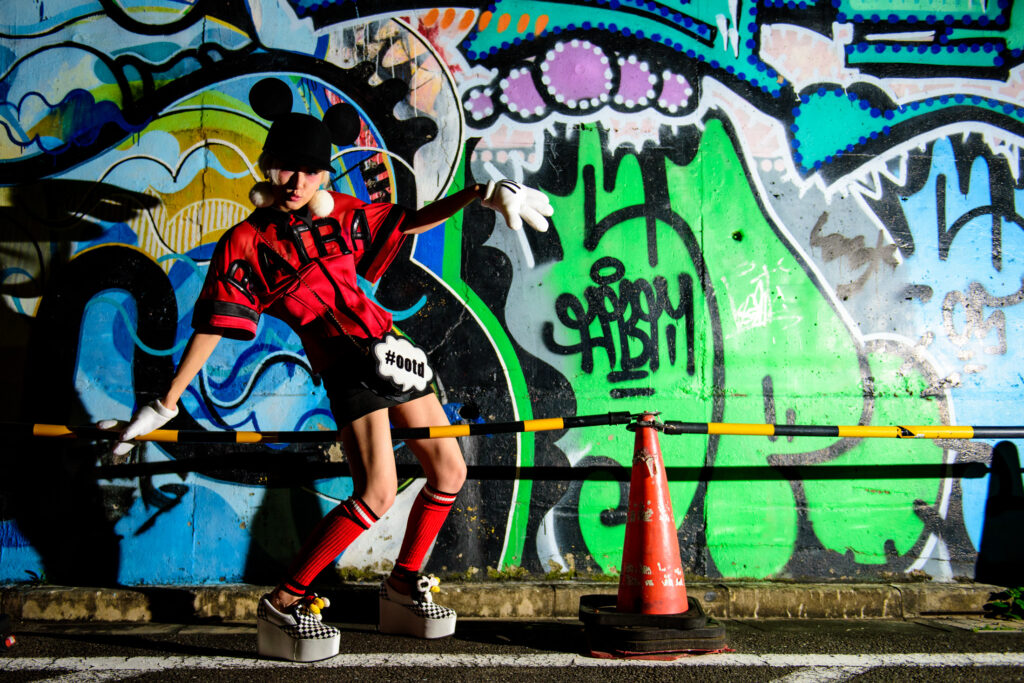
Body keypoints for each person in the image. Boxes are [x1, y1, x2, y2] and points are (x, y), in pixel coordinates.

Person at [102, 82, 553, 662]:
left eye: (311, 172)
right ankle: (283, 603)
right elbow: (213, 325)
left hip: (394, 349)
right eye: (287, 169)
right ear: (268, 167)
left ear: (323, 175)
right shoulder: (245, 241)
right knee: (378, 492)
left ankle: (402, 587)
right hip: (346, 366)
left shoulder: (339, 211)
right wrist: (165, 403)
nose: (297, 182)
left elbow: (410, 221)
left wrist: (480, 194)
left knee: (449, 471)